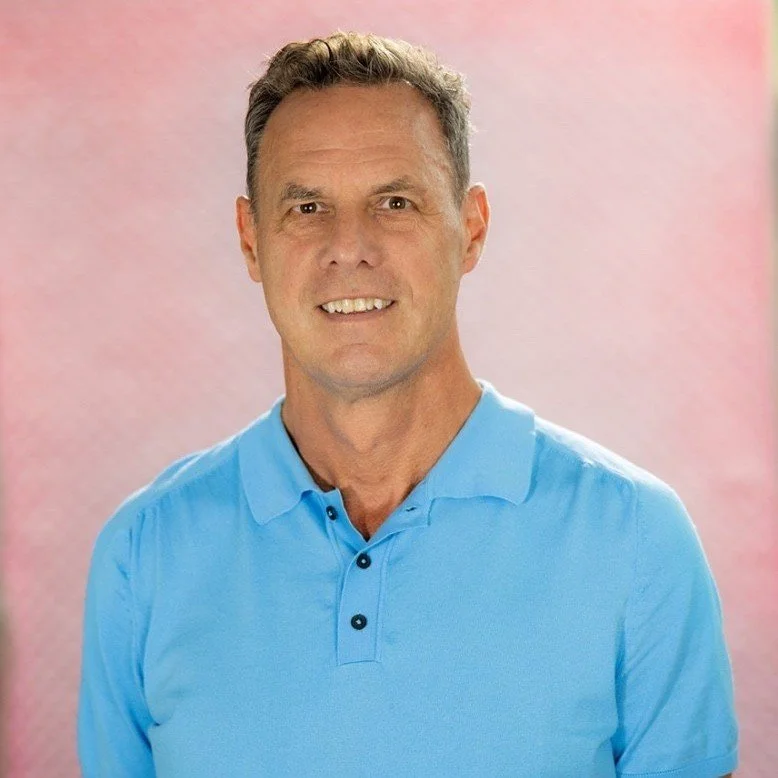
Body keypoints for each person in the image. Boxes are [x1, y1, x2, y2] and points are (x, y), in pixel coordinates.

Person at [77, 32, 739, 777]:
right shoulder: (145, 555)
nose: (349, 246)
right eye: (306, 207)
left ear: (472, 229)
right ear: (251, 240)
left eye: (396, 202)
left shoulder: (635, 540)